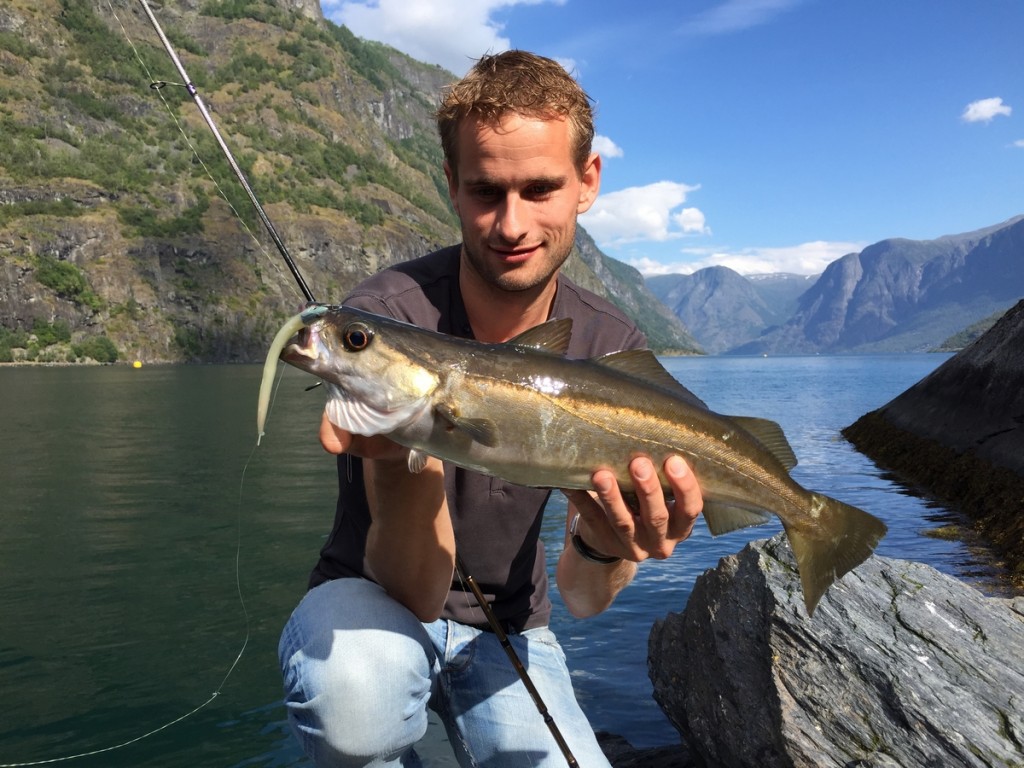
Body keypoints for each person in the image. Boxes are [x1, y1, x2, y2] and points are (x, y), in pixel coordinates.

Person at [278, 50, 705, 768]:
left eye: (540, 188)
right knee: (356, 701)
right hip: (374, 600)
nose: (512, 224)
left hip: (512, 628)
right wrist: (401, 460)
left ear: (588, 183)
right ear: (450, 185)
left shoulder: (612, 349)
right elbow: (414, 589)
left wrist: (608, 539)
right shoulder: (380, 322)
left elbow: (585, 597)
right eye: (485, 191)